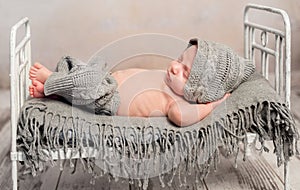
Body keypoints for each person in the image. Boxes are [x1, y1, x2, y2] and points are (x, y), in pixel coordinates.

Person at [29, 38, 255, 127]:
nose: (175, 67)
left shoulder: (176, 102)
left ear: (197, 93)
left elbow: (180, 118)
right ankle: (60, 91)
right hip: (107, 81)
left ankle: (52, 80)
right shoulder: (170, 82)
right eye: (179, 59)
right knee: (80, 66)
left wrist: (211, 107)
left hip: (107, 100)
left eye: (185, 73)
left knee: (87, 83)